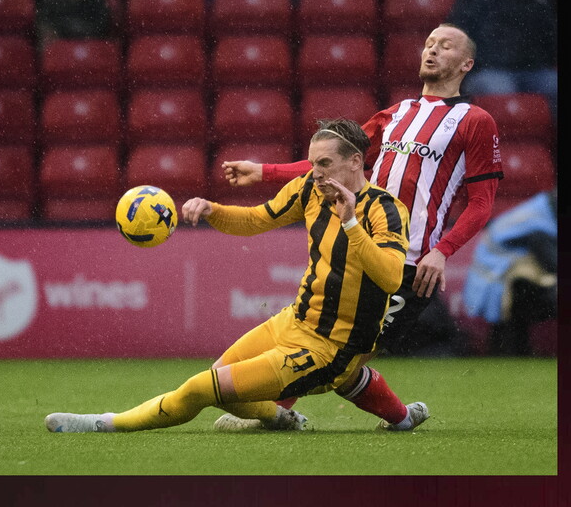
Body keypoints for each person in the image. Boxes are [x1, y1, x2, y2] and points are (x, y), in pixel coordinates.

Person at [45, 119, 428, 433]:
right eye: (312, 163)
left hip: (331, 347)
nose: (315, 173)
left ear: (355, 161)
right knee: (223, 385)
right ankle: (280, 416)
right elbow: (258, 219)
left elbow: (392, 278)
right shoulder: (309, 189)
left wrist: (350, 223)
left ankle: (103, 423)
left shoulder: (385, 209)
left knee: (200, 388)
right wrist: (213, 210)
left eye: (324, 164)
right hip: (293, 321)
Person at [217, 23, 503, 430]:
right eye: (428, 43)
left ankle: (276, 415)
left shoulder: (475, 121)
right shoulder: (395, 114)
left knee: (342, 359)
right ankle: (400, 418)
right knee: (336, 359)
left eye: (446, 46)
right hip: (354, 249)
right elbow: (329, 160)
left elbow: (481, 203)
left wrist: (443, 251)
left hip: (406, 264)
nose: (432, 50)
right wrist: (264, 171)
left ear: (467, 63)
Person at [462, 188, 557, 355]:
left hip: (497, 271)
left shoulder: (541, 209)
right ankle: (511, 353)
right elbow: (550, 259)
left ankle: (508, 353)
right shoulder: (541, 221)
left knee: (513, 318)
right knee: (525, 303)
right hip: (497, 271)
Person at [446, 0, 558, 119]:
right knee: (499, 88)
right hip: (488, 71)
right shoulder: (474, 0)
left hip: (530, 70)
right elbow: (456, 38)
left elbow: (549, 41)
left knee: (553, 83)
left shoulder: (534, 0)